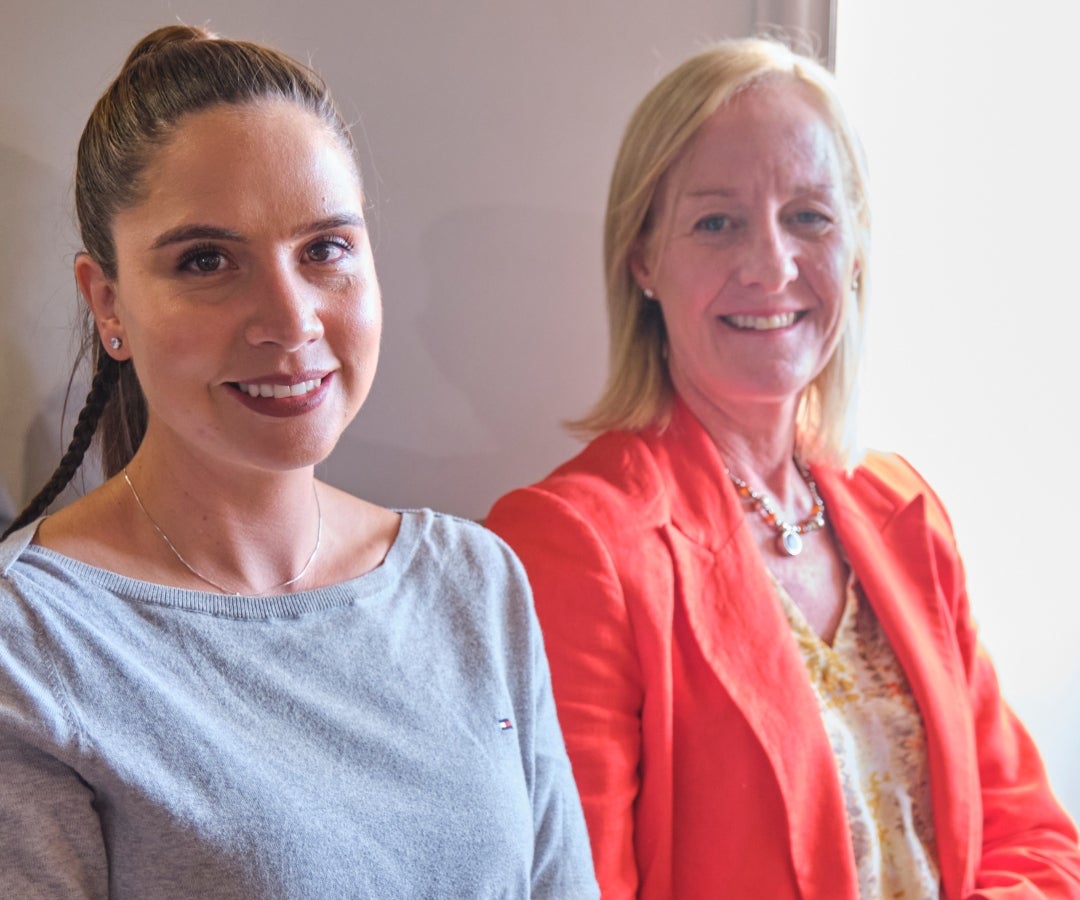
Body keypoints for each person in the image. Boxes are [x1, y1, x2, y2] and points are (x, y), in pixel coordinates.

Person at [0, 25, 598, 899]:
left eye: (325, 249)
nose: (290, 319)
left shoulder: (474, 581)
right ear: (108, 302)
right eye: (207, 260)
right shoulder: (34, 642)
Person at [485, 36, 1080, 900]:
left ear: (857, 248)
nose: (772, 265)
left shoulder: (903, 508)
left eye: (809, 215)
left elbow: (1032, 836)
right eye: (717, 221)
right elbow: (577, 889)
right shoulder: (574, 545)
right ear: (644, 257)